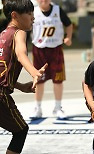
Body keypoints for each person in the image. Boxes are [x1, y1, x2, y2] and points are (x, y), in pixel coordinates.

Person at [0, 0, 47, 153]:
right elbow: (21, 54)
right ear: (14, 15)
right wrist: (34, 72)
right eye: (29, 13)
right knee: (20, 131)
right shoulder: (19, 32)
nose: (33, 17)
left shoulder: (3, 34)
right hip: (1, 95)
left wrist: (19, 85)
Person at [31, 0, 73, 119]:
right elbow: (24, 27)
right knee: (39, 80)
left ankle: (58, 107)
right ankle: (38, 108)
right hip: (39, 50)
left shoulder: (57, 10)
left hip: (55, 49)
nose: (43, 0)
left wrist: (68, 37)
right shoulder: (32, 11)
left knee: (58, 80)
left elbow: (69, 24)